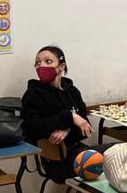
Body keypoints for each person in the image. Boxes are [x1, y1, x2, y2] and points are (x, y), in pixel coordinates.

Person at [21, 46, 95, 182]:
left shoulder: (72, 91)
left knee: (121, 151)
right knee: (111, 157)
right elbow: (32, 128)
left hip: (77, 151)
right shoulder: (33, 94)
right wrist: (70, 117)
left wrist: (67, 129)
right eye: (38, 62)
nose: (41, 66)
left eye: (48, 61)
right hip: (56, 162)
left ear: (62, 66)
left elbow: (86, 128)